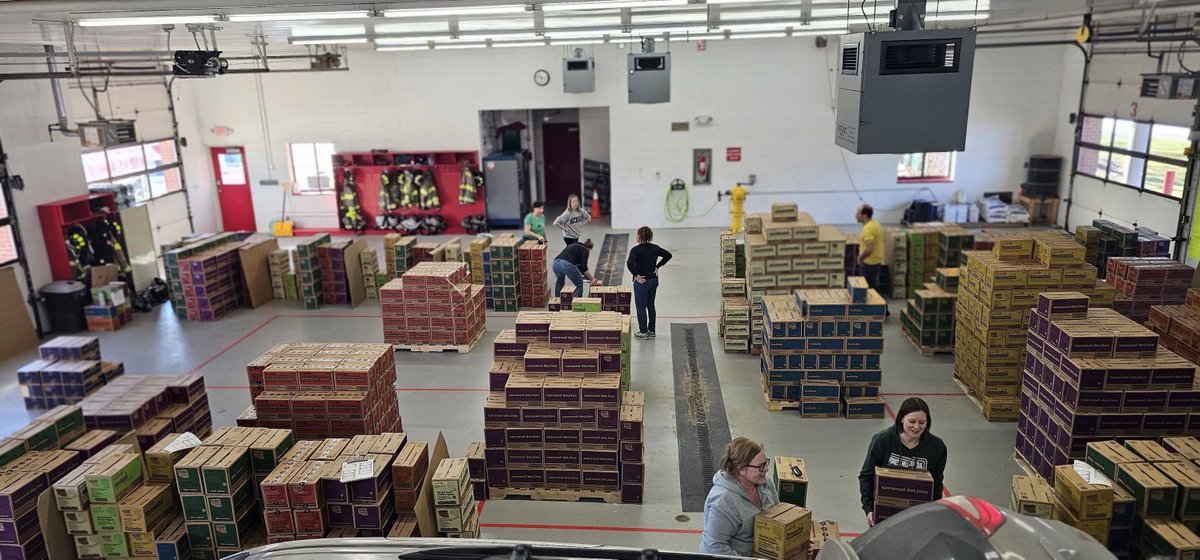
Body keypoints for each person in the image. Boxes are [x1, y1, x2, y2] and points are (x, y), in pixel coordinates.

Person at [858, 397, 948, 527]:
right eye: (912, 421)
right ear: (901, 418)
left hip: (917, 517)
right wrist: (869, 509)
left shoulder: (937, 447)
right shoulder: (883, 440)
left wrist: (931, 512)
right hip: (884, 514)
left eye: (922, 422)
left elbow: (937, 484)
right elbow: (866, 476)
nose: (917, 427)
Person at [700, 437, 779, 557]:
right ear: (741, 469)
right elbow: (715, 547)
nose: (766, 469)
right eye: (760, 466)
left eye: (766, 463)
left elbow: (780, 516)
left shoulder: (765, 482)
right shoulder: (723, 502)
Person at [626, 226, 672, 340]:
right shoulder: (655, 248)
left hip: (642, 282)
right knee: (650, 305)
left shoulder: (635, 250)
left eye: (637, 234)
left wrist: (636, 275)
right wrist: (658, 266)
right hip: (653, 281)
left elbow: (629, 264)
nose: (636, 236)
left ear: (640, 236)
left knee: (641, 307)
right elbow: (668, 255)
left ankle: (643, 331)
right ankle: (651, 330)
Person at [855, 203, 889, 317]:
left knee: (872, 288)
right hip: (876, 260)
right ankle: (881, 309)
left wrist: (860, 257)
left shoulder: (868, 229)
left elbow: (869, 247)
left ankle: (884, 310)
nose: (856, 215)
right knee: (872, 286)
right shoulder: (875, 224)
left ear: (864, 215)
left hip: (869, 263)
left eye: (858, 213)